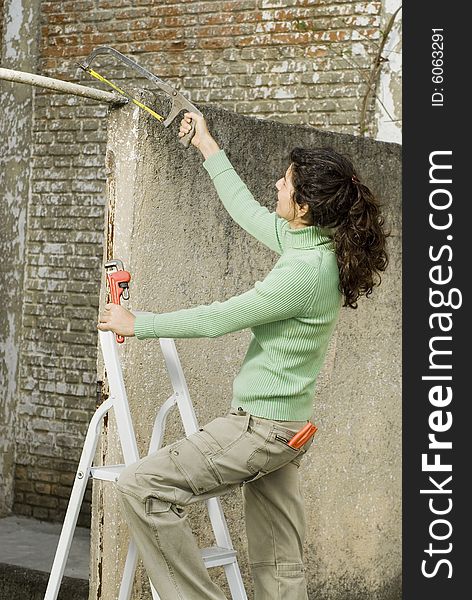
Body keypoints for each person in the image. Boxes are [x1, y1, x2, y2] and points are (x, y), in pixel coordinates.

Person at [97, 113, 389, 599]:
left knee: (141, 487)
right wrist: (206, 144)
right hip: (287, 429)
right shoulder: (311, 244)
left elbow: (221, 318)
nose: (277, 183)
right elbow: (245, 211)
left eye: (286, 182)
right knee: (280, 564)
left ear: (305, 206)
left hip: (261, 428)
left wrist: (138, 323)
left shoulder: (304, 271)